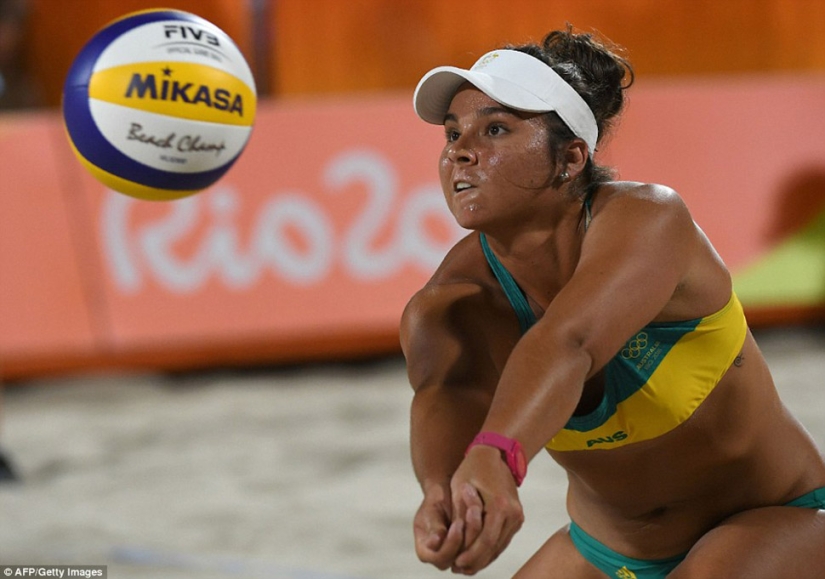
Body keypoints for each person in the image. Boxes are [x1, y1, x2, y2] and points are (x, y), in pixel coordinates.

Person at [399, 26, 825, 579]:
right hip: (605, 552)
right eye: (452, 134)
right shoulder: (447, 303)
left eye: (496, 129)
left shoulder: (650, 219)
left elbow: (569, 341)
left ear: (570, 157)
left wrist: (499, 454)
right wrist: (443, 491)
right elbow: (446, 390)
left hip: (777, 518)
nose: (460, 151)